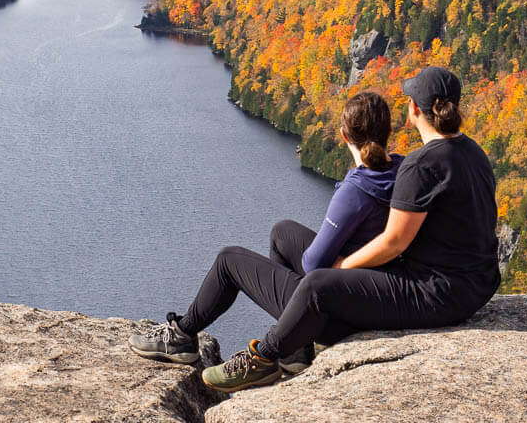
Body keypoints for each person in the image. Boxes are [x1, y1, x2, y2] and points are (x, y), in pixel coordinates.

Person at [192, 66, 501, 393]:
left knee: (317, 284)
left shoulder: (421, 165)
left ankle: (265, 358)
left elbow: (394, 242)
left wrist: (344, 267)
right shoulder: (472, 152)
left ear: (413, 111)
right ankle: (297, 343)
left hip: (437, 292)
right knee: (284, 235)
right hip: (474, 285)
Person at [129, 91, 404, 389]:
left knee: (229, 260)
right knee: (282, 233)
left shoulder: (356, 190)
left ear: (343, 135)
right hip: (371, 297)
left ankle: (182, 336)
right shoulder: (403, 171)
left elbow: (313, 265)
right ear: (390, 131)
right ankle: (297, 346)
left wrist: (335, 255)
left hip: (336, 312)